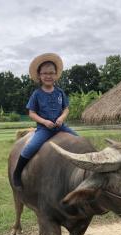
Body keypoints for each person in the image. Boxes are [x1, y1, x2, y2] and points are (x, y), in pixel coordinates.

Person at [13, 53, 78, 187]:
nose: (48, 76)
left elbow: (66, 109)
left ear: (56, 75)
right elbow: (31, 113)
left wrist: (61, 118)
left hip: (61, 126)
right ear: (39, 76)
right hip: (44, 129)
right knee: (30, 147)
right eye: (45, 73)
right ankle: (17, 173)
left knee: (79, 140)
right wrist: (44, 122)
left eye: (51, 73)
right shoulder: (36, 94)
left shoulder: (60, 92)